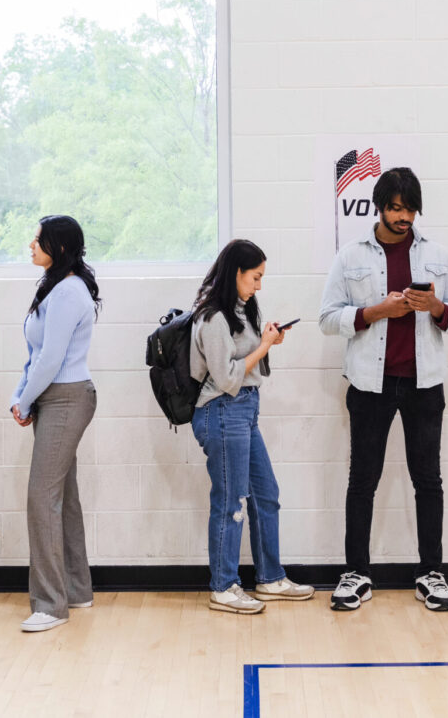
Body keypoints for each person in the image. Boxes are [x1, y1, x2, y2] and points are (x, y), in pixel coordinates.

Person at [318, 167, 448, 612]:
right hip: (369, 384)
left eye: (411, 209)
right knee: (362, 480)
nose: (404, 217)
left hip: (424, 384)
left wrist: (435, 306)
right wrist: (374, 311)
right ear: (379, 207)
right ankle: (356, 572)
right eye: (396, 208)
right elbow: (327, 319)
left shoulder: (437, 254)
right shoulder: (349, 256)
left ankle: (431, 572)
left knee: (429, 481)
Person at [190, 239, 314, 614]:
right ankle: (223, 586)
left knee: (265, 494)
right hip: (222, 411)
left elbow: (244, 363)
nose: (259, 285)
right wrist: (263, 347)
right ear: (237, 273)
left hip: (243, 411)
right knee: (231, 501)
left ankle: (270, 577)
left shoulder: (241, 311)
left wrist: (264, 340)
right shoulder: (213, 317)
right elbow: (227, 377)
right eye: (255, 277)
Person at [10, 216, 100, 633]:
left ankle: (50, 604)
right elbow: (37, 353)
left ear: (59, 247)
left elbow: (51, 359)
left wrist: (26, 399)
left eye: (38, 239)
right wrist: (21, 396)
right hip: (52, 396)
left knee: (40, 498)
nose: (31, 244)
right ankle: (77, 590)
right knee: (63, 496)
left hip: (65, 397)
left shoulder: (68, 291)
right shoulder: (54, 286)